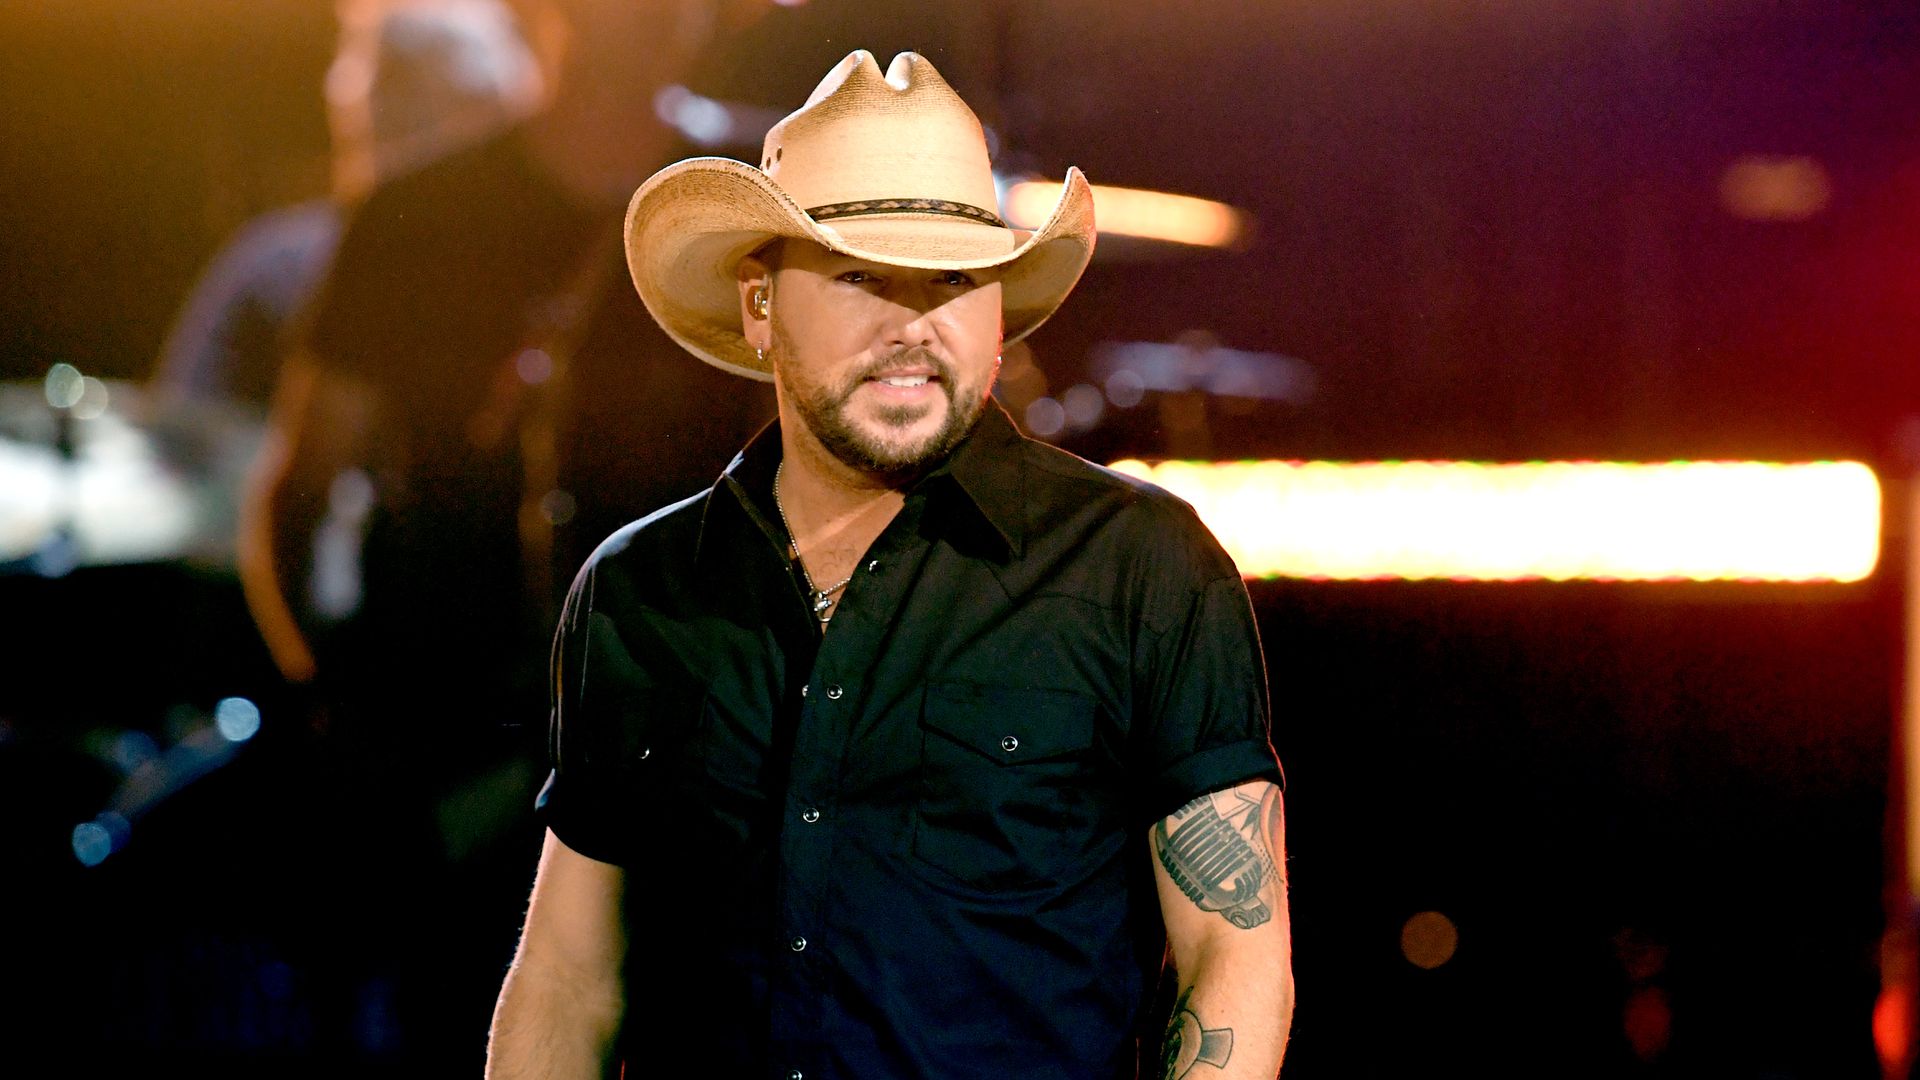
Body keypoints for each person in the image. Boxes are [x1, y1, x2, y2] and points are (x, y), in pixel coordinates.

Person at [488, 49, 1293, 1079]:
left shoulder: (1139, 567)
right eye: (861, 274)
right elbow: (568, 978)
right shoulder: (642, 587)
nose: (913, 326)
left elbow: (1234, 955)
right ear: (759, 303)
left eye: (953, 279)